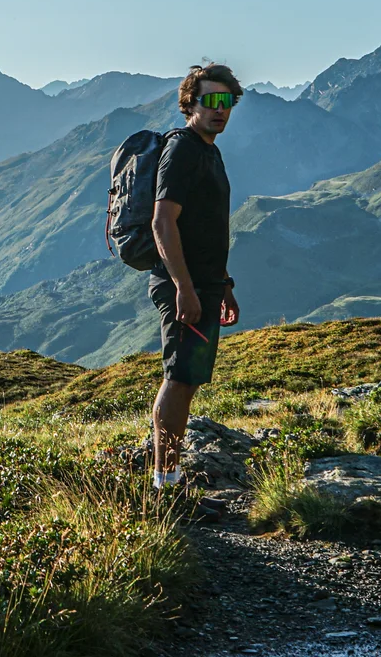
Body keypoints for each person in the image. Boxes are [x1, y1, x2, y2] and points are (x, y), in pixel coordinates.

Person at [150, 63, 242, 489]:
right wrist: (185, 288)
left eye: (227, 101)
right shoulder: (183, 149)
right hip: (182, 287)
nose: (220, 110)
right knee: (179, 377)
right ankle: (165, 486)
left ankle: (171, 479)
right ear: (191, 102)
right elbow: (163, 222)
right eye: (211, 100)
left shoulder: (210, 150)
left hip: (205, 286)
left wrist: (223, 285)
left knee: (188, 381)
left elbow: (207, 226)